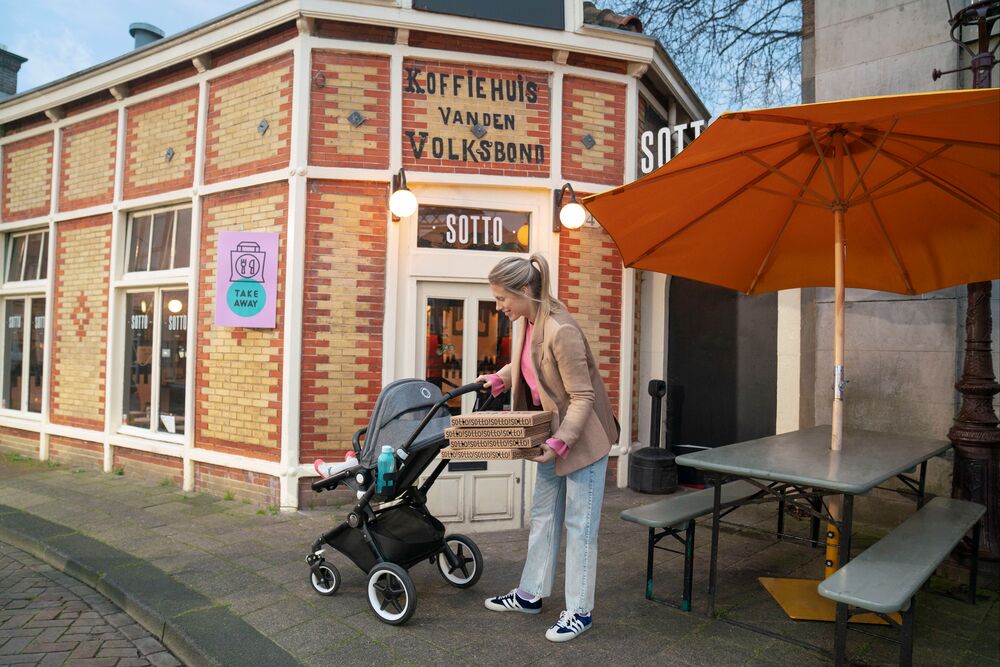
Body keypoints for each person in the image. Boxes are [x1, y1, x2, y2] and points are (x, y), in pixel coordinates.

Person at [478, 253, 618, 643]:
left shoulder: (561, 329)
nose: (499, 306)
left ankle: (579, 611)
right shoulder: (527, 322)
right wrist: (500, 378)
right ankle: (530, 594)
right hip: (551, 437)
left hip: (582, 439)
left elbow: (583, 396)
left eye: (502, 298)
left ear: (524, 290)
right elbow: (532, 365)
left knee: (579, 525)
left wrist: (561, 443)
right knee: (543, 515)